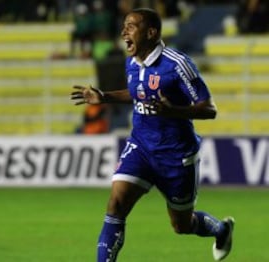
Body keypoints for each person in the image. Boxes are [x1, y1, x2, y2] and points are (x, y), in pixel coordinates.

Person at [71, 8, 234, 261]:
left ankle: (222, 229)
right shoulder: (132, 62)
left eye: (131, 26)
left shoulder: (177, 64)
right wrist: (104, 97)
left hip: (176, 155)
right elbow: (137, 92)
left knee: (181, 225)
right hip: (141, 147)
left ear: (151, 32)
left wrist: (174, 111)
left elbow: (209, 109)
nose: (124, 31)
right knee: (116, 205)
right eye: (124, 25)